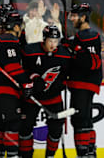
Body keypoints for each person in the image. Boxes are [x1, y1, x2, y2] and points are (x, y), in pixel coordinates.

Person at [0, 8, 33, 157]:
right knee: (13, 121)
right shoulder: (9, 40)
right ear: (16, 27)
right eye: (20, 26)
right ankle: (12, 155)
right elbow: (12, 66)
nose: (22, 29)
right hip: (3, 89)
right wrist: (26, 83)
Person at [20, 25, 70, 158]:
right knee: (25, 128)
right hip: (32, 98)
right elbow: (22, 71)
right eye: (50, 41)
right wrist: (31, 79)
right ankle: (26, 155)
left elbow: (68, 73)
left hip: (54, 97)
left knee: (56, 129)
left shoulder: (65, 55)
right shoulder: (30, 51)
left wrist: (64, 82)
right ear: (44, 39)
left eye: (56, 41)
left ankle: (50, 156)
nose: (53, 44)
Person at [67, 3, 102, 157]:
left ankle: (83, 153)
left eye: (75, 16)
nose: (72, 19)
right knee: (86, 118)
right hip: (85, 83)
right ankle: (89, 152)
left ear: (83, 17)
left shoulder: (88, 35)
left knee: (80, 119)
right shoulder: (80, 37)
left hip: (83, 83)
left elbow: (92, 63)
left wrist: (74, 51)